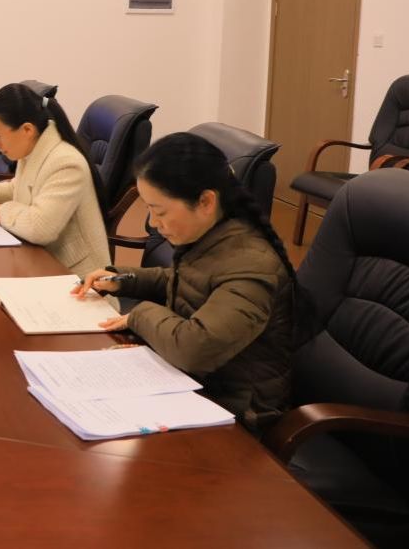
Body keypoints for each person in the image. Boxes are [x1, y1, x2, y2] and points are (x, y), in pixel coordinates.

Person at [72, 132, 298, 433]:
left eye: (159, 211)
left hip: (237, 418)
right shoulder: (213, 235)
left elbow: (193, 349)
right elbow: (188, 281)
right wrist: (122, 279)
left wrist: (139, 315)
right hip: (193, 385)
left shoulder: (252, 265)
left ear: (205, 201)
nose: (153, 223)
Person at [0, 83, 109, 277]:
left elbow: (40, 228)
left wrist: (1, 211)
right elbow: (18, 188)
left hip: (78, 278)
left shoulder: (66, 164)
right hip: (42, 261)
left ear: (27, 129)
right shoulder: (34, 148)